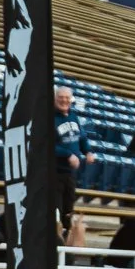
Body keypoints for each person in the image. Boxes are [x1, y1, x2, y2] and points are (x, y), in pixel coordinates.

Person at [53, 84, 87, 234]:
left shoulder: (73, 116)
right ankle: (55, 236)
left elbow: (82, 137)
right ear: (55, 99)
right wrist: (68, 154)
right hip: (54, 172)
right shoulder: (49, 117)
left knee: (69, 206)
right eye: (61, 97)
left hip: (70, 173)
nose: (64, 100)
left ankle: (66, 236)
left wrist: (88, 151)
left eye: (67, 98)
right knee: (56, 207)